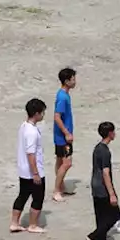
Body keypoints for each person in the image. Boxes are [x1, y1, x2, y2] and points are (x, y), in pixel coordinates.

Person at [11, 98, 47, 234]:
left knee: (22, 195)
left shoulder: (24, 126)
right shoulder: (31, 132)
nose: (43, 115)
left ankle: (14, 223)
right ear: (36, 113)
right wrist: (36, 173)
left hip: (23, 170)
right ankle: (33, 225)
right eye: (42, 113)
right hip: (33, 172)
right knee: (38, 198)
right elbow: (31, 154)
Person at [86, 122, 120, 240]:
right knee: (114, 215)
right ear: (110, 133)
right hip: (102, 188)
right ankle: (93, 236)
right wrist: (112, 194)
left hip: (95, 186)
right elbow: (106, 173)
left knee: (100, 216)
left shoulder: (97, 148)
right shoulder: (105, 152)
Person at [53, 67, 77, 203]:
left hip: (59, 135)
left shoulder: (63, 95)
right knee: (67, 163)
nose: (75, 81)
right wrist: (67, 133)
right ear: (67, 81)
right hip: (63, 136)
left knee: (60, 160)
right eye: (73, 79)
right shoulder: (63, 97)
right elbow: (57, 117)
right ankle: (57, 190)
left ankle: (60, 186)